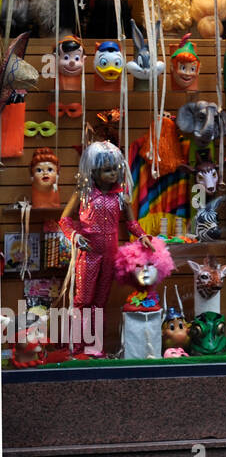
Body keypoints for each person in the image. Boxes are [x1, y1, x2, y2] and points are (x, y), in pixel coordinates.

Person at [59, 141, 145, 355]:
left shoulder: (121, 196)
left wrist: (143, 235)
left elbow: (131, 223)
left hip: (110, 255)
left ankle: (94, 347)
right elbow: (64, 220)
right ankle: (76, 347)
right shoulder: (84, 194)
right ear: (94, 172)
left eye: (116, 169)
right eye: (107, 170)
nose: (113, 174)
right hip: (88, 255)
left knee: (100, 302)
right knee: (82, 301)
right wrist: (76, 236)